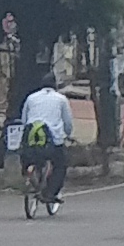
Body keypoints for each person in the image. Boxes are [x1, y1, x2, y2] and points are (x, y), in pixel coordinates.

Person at [16, 75, 75, 214]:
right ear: (55, 85)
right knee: (60, 165)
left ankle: (28, 172)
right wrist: (67, 133)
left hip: (31, 139)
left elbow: (24, 120)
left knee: (29, 157)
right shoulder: (61, 99)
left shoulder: (31, 98)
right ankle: (50, 193)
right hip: (52, 140)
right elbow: (67, 122)